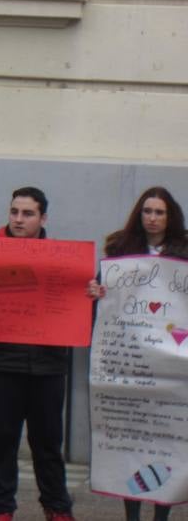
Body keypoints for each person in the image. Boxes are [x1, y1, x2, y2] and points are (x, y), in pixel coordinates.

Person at [0, 186, 84, 521]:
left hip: (48, 367)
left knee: (48, 444)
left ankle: (57, 508)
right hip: (3, 364)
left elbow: (76, 314)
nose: (19, 219)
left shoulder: (60, 260)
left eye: (27, 213)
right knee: (3, 440)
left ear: (43, 218)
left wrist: (90, 295)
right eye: (14, 212)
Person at [88, 187, 187, 521]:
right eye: (148, 211)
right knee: (129, 447)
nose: (153, 218)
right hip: (128, 365)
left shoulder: (184, 253)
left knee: (167, 445)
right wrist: (95, 292)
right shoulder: (120, 251)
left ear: (170, 216)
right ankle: (131, 515)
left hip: (172, 371)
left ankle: (162, 517)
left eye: (160, 212)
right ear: (138, 214)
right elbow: (102, 298)